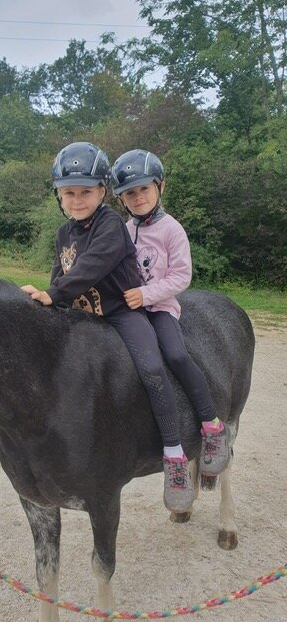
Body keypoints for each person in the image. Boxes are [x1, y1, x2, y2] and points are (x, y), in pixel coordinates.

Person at [21, 141, 195, 514]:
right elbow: (60, 273)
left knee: (152, 368)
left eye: (86, 192)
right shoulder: (63, 233)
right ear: (59, 195)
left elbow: (93, 266)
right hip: (83, 317)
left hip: (121, 313)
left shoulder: (111, 225)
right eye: (69, 193)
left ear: (103, 192)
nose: (77, 200)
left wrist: (56, 293)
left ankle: (174, 452)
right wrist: (43, 302)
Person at [110, 149, 230, 479]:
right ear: (121, 199)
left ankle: (211, 423)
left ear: (160, 186)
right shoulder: (124, 230)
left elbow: (181, 276)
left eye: (144, 188)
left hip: (160, 308)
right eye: (130, 193)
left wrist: (146, 295)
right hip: (129, 312)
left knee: (176, 355)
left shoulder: (171, 230)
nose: (138, 197)